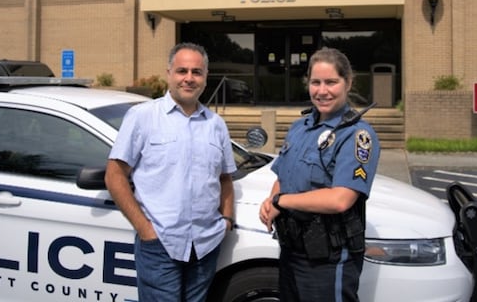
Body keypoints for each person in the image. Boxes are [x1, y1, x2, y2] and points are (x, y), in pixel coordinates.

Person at [105, 42, 236, 302]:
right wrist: (145, 230)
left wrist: (227, 220)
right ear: (169, 73)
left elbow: (224, 178)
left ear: (205, 77)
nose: (189, 78)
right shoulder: (142, 116)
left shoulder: (216, 125)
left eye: (196, 72)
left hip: (206, 245)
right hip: (160, 245)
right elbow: (114, 175)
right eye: (182, 71)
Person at [258, 47, 381, 302]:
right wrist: (271, 202)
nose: (322, 91)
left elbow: (340, 199)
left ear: (348, 82)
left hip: (328, 260)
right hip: (291, 251)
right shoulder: (299, 127)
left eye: (331, 82)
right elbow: (283, 176)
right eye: (316, 82)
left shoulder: (357, 135)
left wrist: (281, 201)